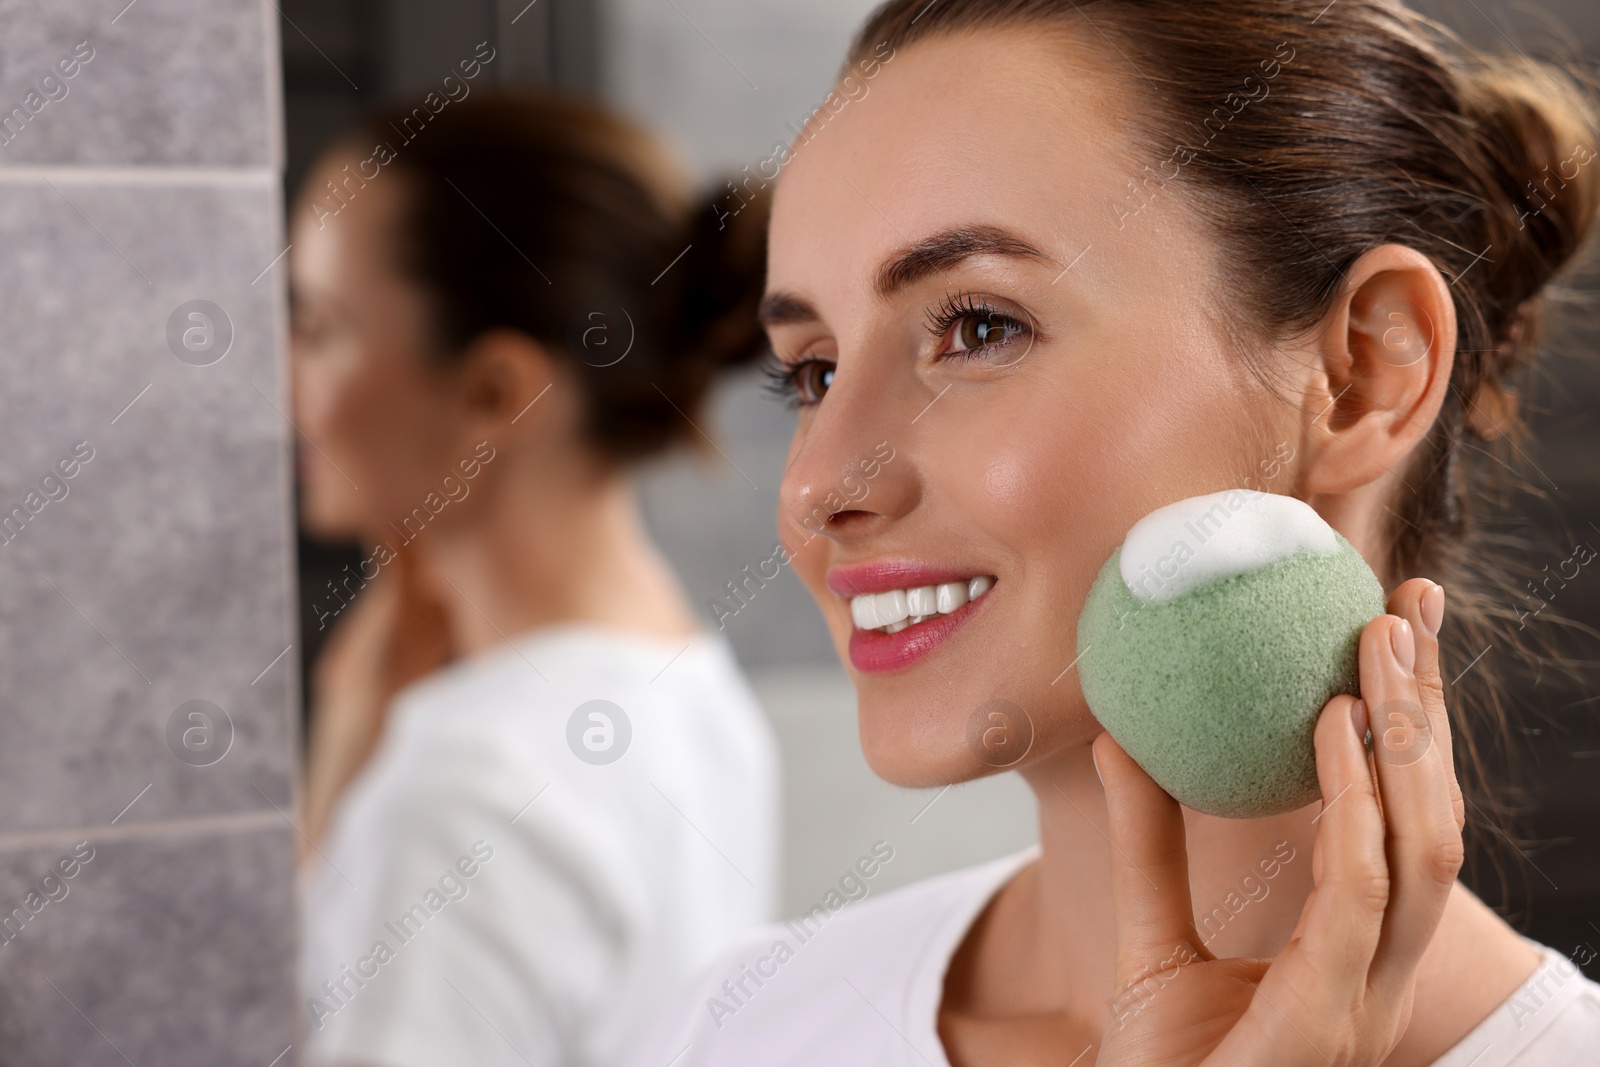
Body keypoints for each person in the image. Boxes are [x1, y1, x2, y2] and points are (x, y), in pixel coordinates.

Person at [626, 1, 1600, 1064]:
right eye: (811, 372)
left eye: (976, 326)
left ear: (1364, 373)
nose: (816, 484)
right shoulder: (736, 1025)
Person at [288, 93, 780, 1066]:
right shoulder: (692, 689)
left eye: (320, 327)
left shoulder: (464, 789)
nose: (283, 376)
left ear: (494, 392)